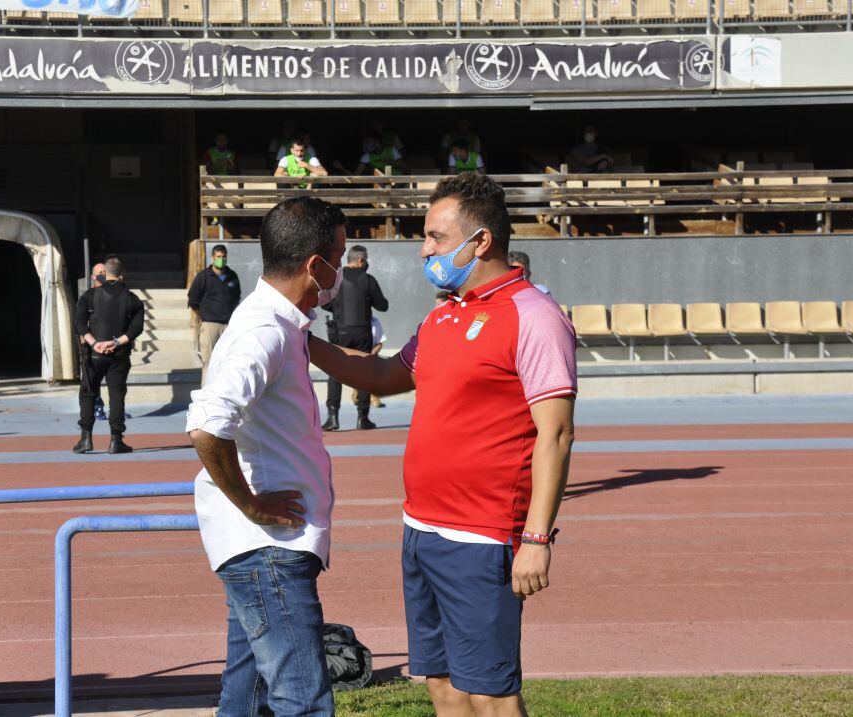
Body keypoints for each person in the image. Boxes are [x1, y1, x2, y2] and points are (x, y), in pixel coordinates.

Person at [308, 172, 578, 717]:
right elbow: (385, 375)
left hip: (483, 537)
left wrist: (536, 538)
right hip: (421, 528)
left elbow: (556, 432)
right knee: (441, 683)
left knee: (491, 694)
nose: (424, 249)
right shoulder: (444, 313)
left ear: (481, 241)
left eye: (435, 237)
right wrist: (300, 339)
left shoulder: (535, 317)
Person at [185, 196, 347, 717]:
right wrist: (252, 506)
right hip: (267, 549)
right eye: (339, 259)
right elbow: (208, 425)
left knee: (247, 694)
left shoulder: (286, 325)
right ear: (314, 265)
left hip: (268, 549)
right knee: (302, 699)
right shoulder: (263, 330)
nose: (341, 270)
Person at [72, 256, 145, 455]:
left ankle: (85, 438)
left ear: (105, 273)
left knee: (87, 393)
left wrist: (95, 344)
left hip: (93, 355)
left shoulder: (89, 295)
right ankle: (116, 440)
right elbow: (136, 328)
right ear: (123, 273)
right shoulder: (132, 298)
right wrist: (116, 342)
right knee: (117, 396)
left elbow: (79, 324)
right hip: (119, 355)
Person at [321, 244, 388, 431]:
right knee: (363, 372)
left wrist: (338, 309)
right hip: (362, 332)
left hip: (339, 332)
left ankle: (333, 417)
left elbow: (324, 303)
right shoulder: (368, 279)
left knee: (335, 373)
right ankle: (363, 418)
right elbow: (382, 305)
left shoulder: (336, 279)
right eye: (365, 260)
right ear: (360, 260)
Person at [187, 244, 241, 380]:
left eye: (224, 257)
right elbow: (193, 300)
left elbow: (236, 298)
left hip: (228, 326)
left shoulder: (232, 276)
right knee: (209, 362)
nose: (221, 259)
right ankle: (206, 395)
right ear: (213, 257)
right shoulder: (203, 277)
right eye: (218, 257)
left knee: (227, 362)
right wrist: (203, 316)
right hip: (210, 325)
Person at [88, 262, 109, 421]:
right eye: (100, 272)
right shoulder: (89, 296)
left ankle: (117, 410)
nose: (104, 274)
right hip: (94, 344)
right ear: (94, 276)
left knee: (116, 381)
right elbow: (82, 323)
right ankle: (96, 408)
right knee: (93, 379)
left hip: (111, 344)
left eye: (105, 271)